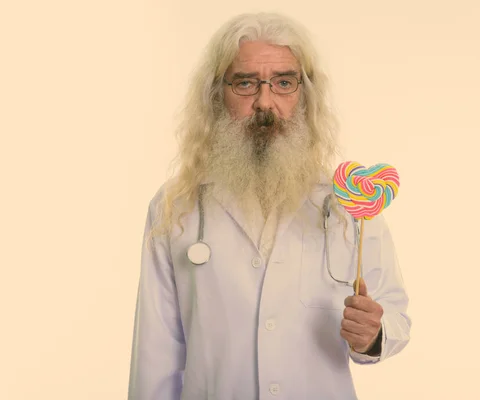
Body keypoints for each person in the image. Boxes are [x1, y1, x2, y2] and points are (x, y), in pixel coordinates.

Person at [127, 12, 411, 400]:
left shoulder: (347, 202)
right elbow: (155, 355)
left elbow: (395, 313)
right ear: (217, 93)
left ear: (304, 93)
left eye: (283, 82)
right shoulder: (176, 207)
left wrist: (374, 335)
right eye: (245, 83)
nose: (265, 102)